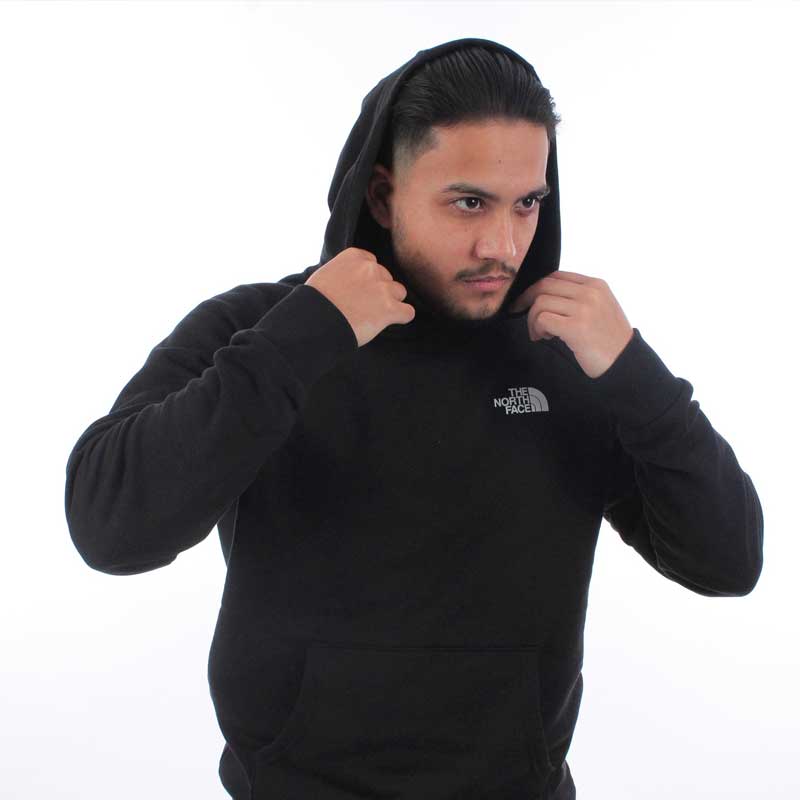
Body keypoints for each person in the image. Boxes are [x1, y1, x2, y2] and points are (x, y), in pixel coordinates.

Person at [64, 37, 764, 800]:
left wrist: (633, 370)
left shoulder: (570, 356)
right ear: (382, 195)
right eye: (469, 203)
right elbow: (110, 528)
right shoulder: (264, 331)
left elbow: (727, 561)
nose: (503, 245)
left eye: (527, 203)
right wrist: (303, 339)